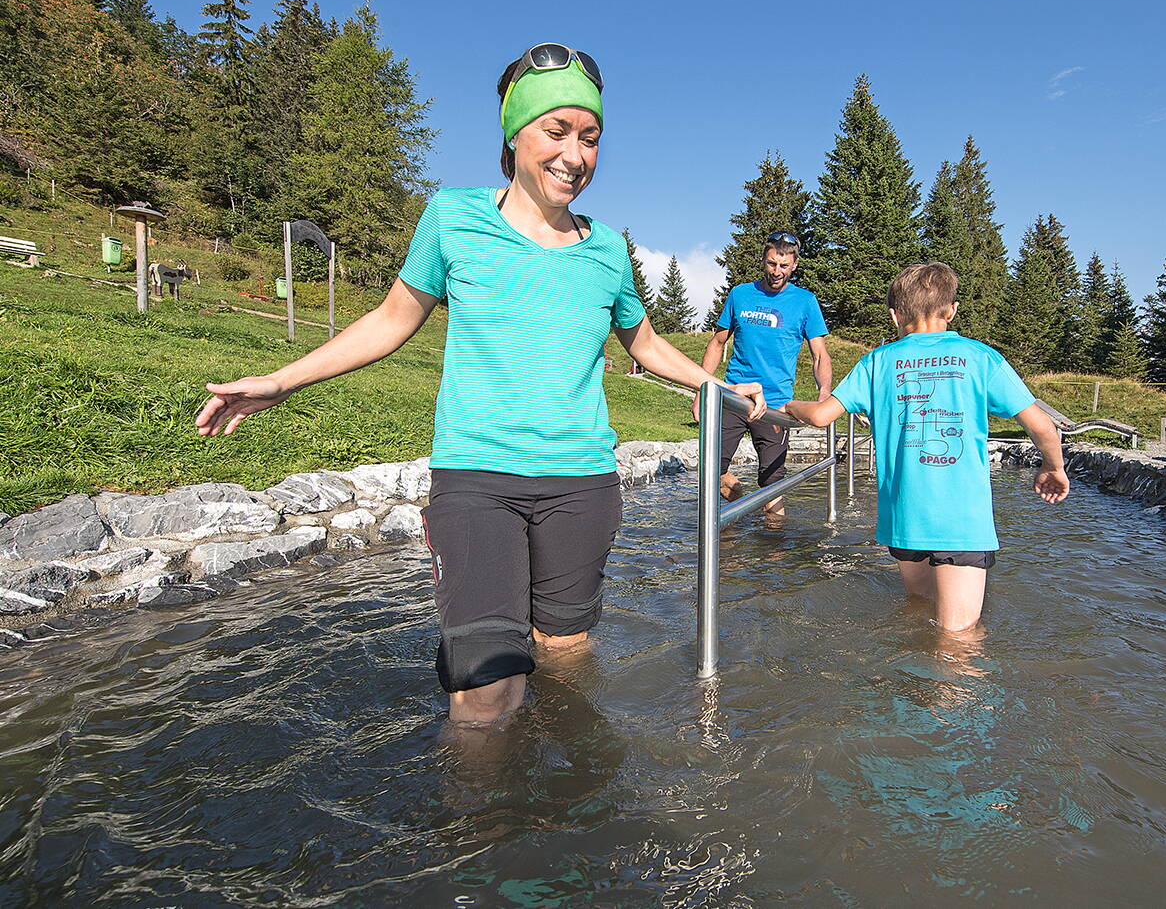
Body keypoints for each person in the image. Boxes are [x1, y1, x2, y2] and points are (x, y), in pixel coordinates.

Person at [194, 42, 766, 725]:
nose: (575, 155)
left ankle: (556, 813)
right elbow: (390, 320)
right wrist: (282, 382)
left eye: (590, 138)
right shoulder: (453, 216)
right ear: (514, 131)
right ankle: (481, 826)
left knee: (565, 654)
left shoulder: (609, 248)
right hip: (477, 479)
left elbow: (640, 341)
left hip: (581, 484)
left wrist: (716, 384)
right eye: (557, 131)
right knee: (486, 688)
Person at [784, 262, 1067, 631]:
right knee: (957, 639)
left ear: (895, 315)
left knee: (917, 611)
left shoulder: (877, 361)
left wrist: (787, 405)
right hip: (961, 521)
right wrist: (1053, 467)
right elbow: (1042, 425)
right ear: (951, 310)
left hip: (904, 518)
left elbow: (821, 415)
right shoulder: (981, 357)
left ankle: (907, 685)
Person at [699, 234, 832, 515]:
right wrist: (702, 390)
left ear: (794, 265)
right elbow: (717, 343)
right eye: (771, 263)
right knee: (710, 471)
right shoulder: (740, 294)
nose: (776, 271)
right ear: (764, 260)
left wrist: (823, 394)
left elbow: (819, 354)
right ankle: (738, 511)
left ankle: (773, 551)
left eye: (784, 265)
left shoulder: (805, 302)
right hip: (734, 397)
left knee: (772, 485)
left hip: (776, 406)